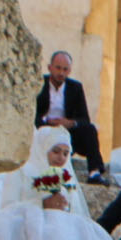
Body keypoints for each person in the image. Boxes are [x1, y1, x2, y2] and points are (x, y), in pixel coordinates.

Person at [34, 50, 104, 181]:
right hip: (43, 129)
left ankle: (95, 171)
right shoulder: (39, 83)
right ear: (50, 68)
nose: (61, 73)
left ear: (69, 71)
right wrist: (47, 121)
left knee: (90, 130)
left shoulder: (75, 88)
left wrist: (70, 123)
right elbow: (32, 113)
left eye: (65, 69)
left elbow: (84, 119)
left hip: (66, 133)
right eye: (58, 68)